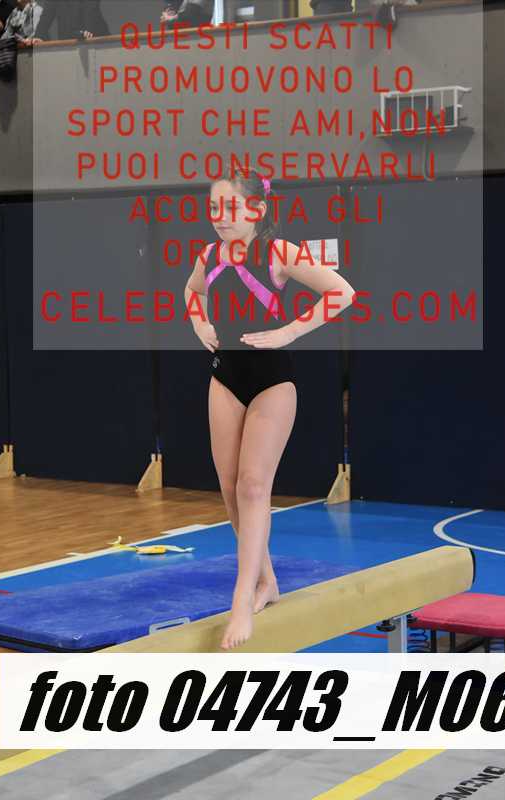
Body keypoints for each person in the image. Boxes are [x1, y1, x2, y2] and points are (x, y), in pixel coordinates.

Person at [184, 166, 355, 650]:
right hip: (225, 377)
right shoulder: (208, 257)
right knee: (229, 488)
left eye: (230, 207)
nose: (220, 217)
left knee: (253, 486)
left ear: (256, 209)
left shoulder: (278, 252)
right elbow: (192, 293)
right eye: (214, 208)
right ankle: (266, 580)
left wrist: (289, 332)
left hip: (272, 382)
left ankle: (241, 601)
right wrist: (199, 325)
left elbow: (342, 292)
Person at [32, 0, 109, 42]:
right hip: (68, 43)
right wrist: (39, 36)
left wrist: (87, 31)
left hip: (96, 40)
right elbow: (46, 16)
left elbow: (91, 9)